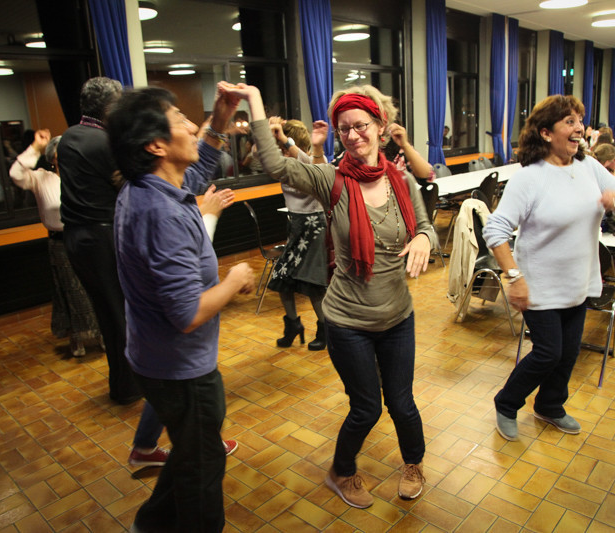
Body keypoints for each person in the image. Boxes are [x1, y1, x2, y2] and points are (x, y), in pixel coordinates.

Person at [224, 82, 435, 509]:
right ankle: (341, 471)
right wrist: (256, 100)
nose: (353, 136)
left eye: (361, 125)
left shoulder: (401, 181)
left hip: (397, 317)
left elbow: (426, 225)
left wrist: (424, 239)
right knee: (366, 408)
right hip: (348, 321)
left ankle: (413, 464)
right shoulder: (330, 179)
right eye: (344, 129)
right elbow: (275, 164)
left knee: (402, 403)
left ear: (380, 126)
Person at [108, 84, 254, 533]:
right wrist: (234, 280)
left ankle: (150, 524)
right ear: (156, 145)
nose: (193, 126)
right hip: (180, 370)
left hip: (158, 359)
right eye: (179, 120)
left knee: (193, 453)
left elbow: (199, 166)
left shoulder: (152, 187)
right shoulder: (161, 212)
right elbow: (187, 313)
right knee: (202, 469)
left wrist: (220, 118)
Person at [484, 94, 615, 442]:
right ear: (545, 133)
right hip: (539, 286)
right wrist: (514, 277)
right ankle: (506, 403)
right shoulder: (529, 178)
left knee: (568, 354)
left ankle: (550, 405)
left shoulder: (588, 167)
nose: (579, 128)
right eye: (569, 122)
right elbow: (495, 230)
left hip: (578, 283)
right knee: (548, 353)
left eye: (580, 121)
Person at [57, 77, 139, 404]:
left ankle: (122, 384)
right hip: (102, 236)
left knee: (107, 314)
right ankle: (130, 387)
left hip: (75, 239)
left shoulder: (69, 136)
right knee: (122, 314)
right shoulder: (105, 143)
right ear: (109, 107)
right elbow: (132, 184)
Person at [9, 129, 101, 357]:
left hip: (87, 238)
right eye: (62, 154)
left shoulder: (83, 177)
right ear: (54, 159)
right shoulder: (42, 178)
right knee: (71, 289)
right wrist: (36, 148)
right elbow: (16, 174)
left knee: (94, 287)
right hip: (61, 241)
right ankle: (77, 337)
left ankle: (101, 334)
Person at [267, 116, 328, 351]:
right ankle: (293, 325)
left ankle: (326, 329)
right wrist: (268, 131)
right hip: (296, 224)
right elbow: (260, 155)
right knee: (282, 277)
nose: (282, 149)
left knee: (313, 283)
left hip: (314, 225)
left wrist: (284, 140)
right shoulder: (284, 163)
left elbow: (311, 166)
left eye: (284, 145)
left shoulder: (311, 162)